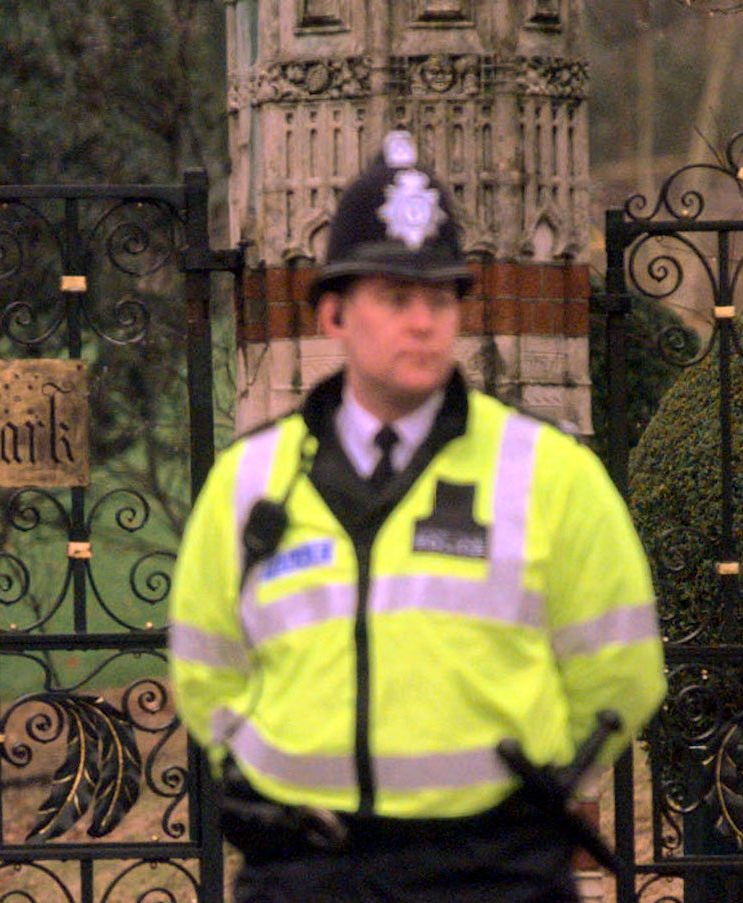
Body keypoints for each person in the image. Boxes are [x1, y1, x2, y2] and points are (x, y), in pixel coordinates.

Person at [167, 131, 666, 902]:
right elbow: (206, 665)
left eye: (440, 298)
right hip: (307, 869)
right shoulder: (249, 480)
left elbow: (621, 669)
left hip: (494, 869)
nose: (424, 321)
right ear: (334, 314)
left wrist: (530, 783)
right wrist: (266, 768)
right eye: (396, 298)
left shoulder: (548, 472)